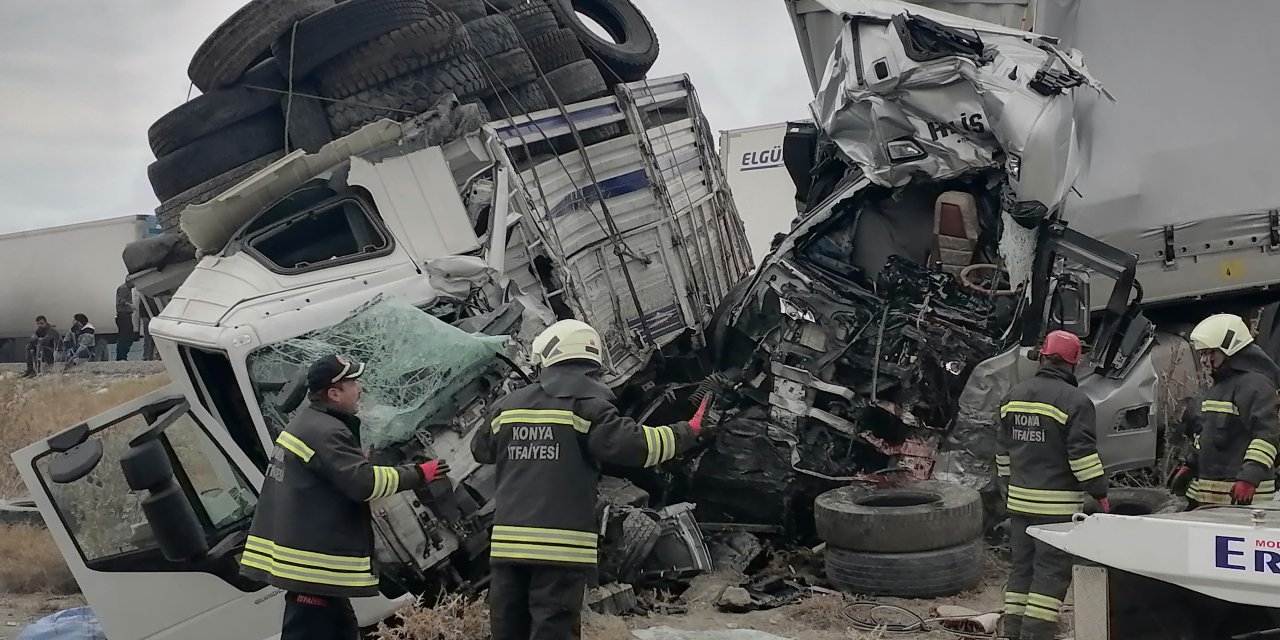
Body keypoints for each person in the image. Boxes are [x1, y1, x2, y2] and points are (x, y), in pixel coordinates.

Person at [472, 319, 707, 640]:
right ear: (590, 365)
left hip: (508, 547)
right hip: (561, 549)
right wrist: (686, 433)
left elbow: (480, 449)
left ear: (548, 358)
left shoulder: (508, 407)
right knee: (552, 629)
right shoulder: (588, 408)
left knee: (508, 628)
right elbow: (640, 448)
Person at [240, 354, 452, 640]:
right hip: (314, 573)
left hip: (310, 576)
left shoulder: (309, 424)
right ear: (334, 393)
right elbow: (364, 484)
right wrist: (418, 473)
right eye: (352, 382)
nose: (359, 389)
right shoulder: (326, 432)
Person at [995, 330, 1109, 640]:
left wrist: (1007, 486)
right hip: (1056, 510)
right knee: (1050, 574)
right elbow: (1082, 458)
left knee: (1021, 569)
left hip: (1018, 505)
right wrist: (1099, 491)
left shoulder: (1013, 396)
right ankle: (1037, 634)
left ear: (1043, 357)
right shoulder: (1076, 402)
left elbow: (1002, 453)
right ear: (1074, 363)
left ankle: (1013, 632)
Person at [1170, 313, 1280, 507]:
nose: (1203, 360)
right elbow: (1210, 436)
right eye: (1202, 354)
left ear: (1229, 349)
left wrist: (1249, 478)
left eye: (1209, 353)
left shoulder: (1256, 385)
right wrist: (1191, 465)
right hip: (1210, 498)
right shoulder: (1219, 387)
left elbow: (1267, 436)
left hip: (1246, 502)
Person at [115, 281, 136, 361]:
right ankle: (121, 356)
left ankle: (122, 356)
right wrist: (129, 304)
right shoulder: (124, 288)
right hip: (124, 315)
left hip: (125, 315)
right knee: (125, 337)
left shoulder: (127, 288)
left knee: (126, 336)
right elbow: (121, 300)